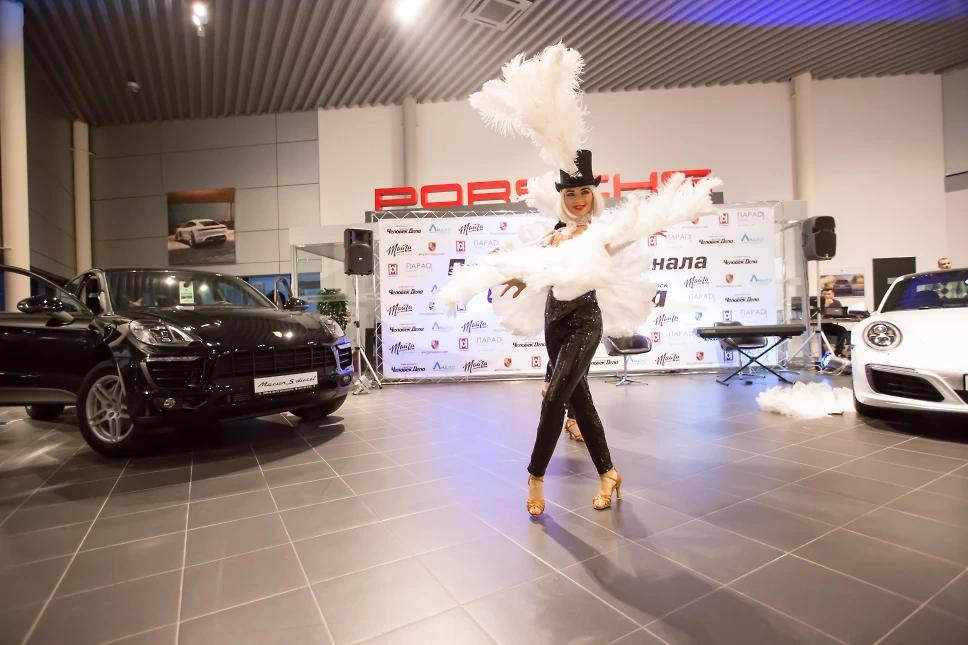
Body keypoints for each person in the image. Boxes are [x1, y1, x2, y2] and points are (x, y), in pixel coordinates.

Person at [500, 150, 621, 516]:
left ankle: (535, 476)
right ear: (562, 198)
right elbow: (541, 271)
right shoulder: (552, 236)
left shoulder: (601, 234)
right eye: (570, 193)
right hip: (554, 324)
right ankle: (609, 474)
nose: (578, 199)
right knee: (581, 403)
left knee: (554, 399)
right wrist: (524, 277)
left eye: (584, 191)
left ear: (594, 195)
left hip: (585, 323)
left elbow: (606, 257)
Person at [820, 287, 847, 357]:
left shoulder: (836, 302)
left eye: (829, 294)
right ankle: (822, 354)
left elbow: (840, 314)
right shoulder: (818, 303)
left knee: (842, 330)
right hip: (819, 326)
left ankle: (838, 351)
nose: (826, 296)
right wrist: (826, 306)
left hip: (829, 325)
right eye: (824, 294)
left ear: (833, 295)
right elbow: (818, 317)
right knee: (818, 333)